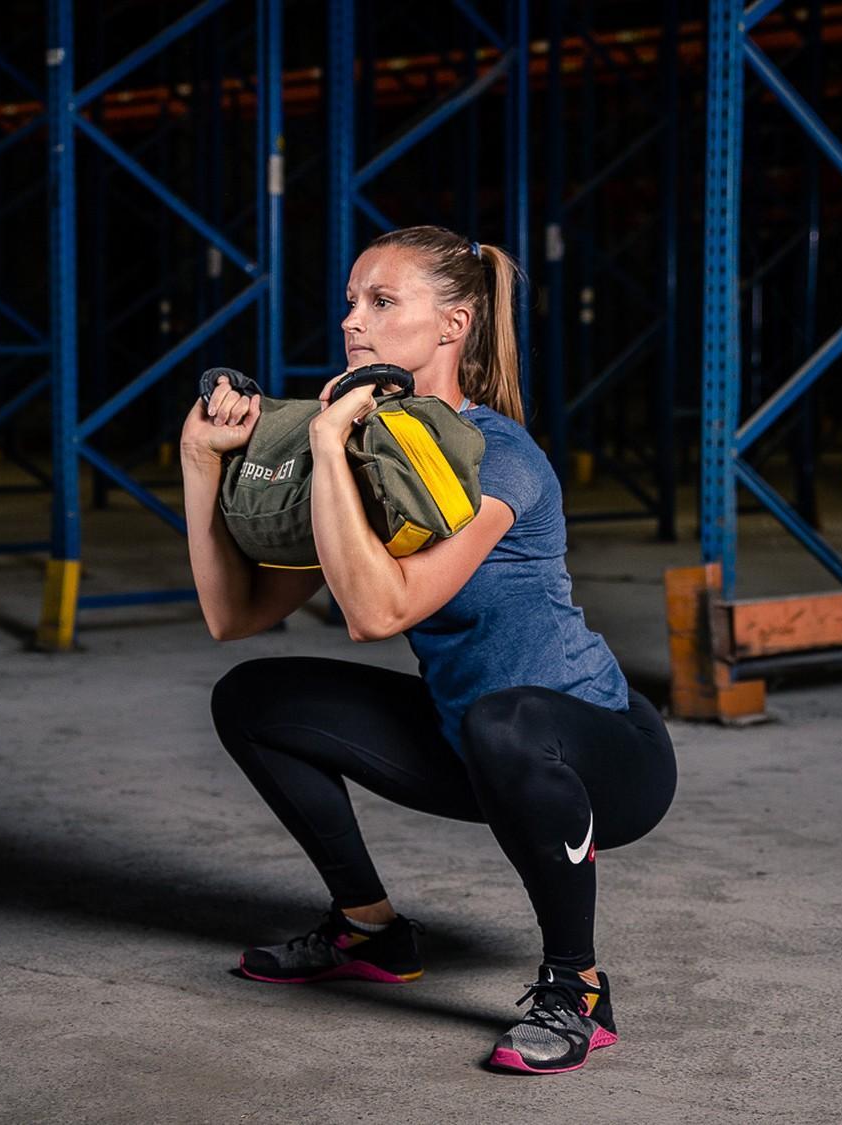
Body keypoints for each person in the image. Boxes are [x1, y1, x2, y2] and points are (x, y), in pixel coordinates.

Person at [178, 224, 677, 1076]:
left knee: (504, 719)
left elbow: (381, 612)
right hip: (472, 742)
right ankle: (370, 929)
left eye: (381, 302)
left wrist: (327, 443)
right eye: (349, 303)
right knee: (252, 697)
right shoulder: (372, 453)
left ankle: (577, 986)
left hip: (598, 753)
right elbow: (236, 613)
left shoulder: (498, 457)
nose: (351, 323)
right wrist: (199, 460)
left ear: (453, 326)